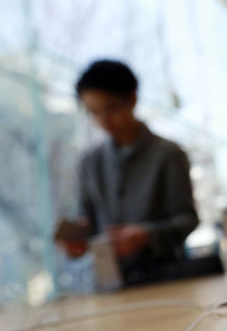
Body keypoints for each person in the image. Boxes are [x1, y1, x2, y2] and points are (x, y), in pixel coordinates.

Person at [63, 60, 199, 285]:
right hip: (109, 281)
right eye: (93, 112)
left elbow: (187, 220)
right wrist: (76, 242)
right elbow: (87, 222)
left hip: (167, 278)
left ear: (132, 99)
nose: (104, 121)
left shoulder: (169, 154)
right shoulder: (89, 162)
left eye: (111, 109)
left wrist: (147, 235)